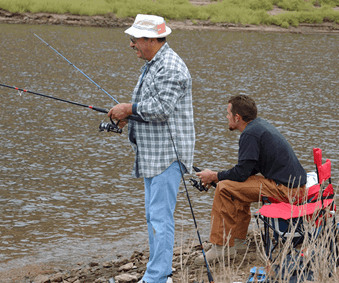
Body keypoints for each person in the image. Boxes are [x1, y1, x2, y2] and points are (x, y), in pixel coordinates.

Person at [107, 14, 195, 283]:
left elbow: (161, 109)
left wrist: (128, 109)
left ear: (150, 40)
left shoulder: (170, 67)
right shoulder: (153, 63)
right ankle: (159, 274)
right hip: (153, 154)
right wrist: (127, 117)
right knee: (153, 216)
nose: (131, 44)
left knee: (160, 218)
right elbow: (148, 105)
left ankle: (157, 278)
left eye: (134, 39)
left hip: (167, 154)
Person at [194, 94, 307, 265]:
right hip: (294, 187)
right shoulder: (258, 127)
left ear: (237, 117)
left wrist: (215, 176)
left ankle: (220, 247)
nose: (226, 117)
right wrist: (216, 178)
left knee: (224, 188)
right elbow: (247, 172)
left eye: (228, 113)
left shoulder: (250, 134)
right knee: (232, 186)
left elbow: (241, 173)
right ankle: (237, 242)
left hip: (287, 190)